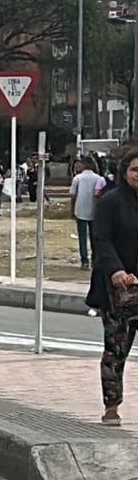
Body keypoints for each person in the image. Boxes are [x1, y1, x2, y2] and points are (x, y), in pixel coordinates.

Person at [91, 150, 138, 426]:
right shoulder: (110, 202)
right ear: (124, 173)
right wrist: (117, 270)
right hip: (118, 291)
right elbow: (101, 239)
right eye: (135, 170)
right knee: (116, 348)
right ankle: (112, 405)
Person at [73, 156, 106, 271]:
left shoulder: (78, 178)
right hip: (95, 211)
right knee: (94, 236)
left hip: (80, 210)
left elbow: (73, 195)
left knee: (82, 237)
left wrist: (72, 209)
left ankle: (84, 261)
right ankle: (94, 259)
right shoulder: (99, 178)